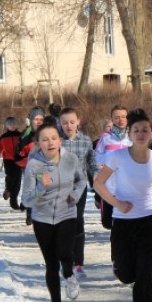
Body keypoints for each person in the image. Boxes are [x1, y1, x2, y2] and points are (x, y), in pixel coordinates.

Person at [93, 109, 152, 302]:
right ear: (129, 133)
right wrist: (116, 204)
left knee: (145, 270)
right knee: (128, 274)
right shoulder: (117, 157)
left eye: (145, 130)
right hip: (123, 221)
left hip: (149, 219)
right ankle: (120, 266)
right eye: (136, 130)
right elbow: (99, 184)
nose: (141, 134)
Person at [21, 123, 86, 302]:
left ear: (60, 140)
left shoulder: (70, 159)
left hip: (67, 213)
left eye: (53, 138)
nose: (50, 142)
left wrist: (74, 195)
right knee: (50, 263)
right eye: (45, 139)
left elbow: (81, 180)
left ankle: (69, 274)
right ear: (38, 143)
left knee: (65, 253)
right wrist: (41, 186)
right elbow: (26, 200)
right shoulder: (34, 165)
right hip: (42, 218)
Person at [58, 108, 99, 278]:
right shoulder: (56, 140)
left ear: (78, 122)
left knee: (78, 220)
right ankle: (65, 260)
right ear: (60, 123)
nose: (69, 126)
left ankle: (79, 263)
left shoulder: (85, 140)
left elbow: (91, 159)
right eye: (65, 122)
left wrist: (96, 174)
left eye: (72, 122)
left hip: (79, 187)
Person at [94, 105, 131, 229]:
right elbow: (96, 156)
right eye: (117, 117)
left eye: (123, 117)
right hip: (109, 185)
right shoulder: (106, 138)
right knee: (107, 222)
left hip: (128, 184)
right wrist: (106, 161)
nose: (120, 120)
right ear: (112, 119)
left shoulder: (132, 136)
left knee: (127, 219)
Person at [17, 107, 45, 226]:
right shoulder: (26, 136)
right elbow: (18, 155)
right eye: (36, 119)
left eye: (41, 119)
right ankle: (30, 212)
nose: (38, 122)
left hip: (46, 168)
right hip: (30, 169)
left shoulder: (49, 133)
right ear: (31, 120)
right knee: (34, 190)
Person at [0, 117, 23, 210]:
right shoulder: (3, 137)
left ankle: (13, 201)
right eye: (10, 124)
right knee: (10, 176)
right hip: (8, 160)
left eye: (14, 124)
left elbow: (26, 146)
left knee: (17, 180)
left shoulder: (20, 135)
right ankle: (8, 189)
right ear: (7, 126)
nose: (12, 126)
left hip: (18, 160)